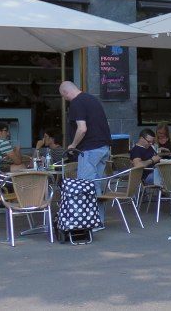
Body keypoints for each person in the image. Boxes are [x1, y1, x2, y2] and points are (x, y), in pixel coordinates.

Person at [60, 80, 111, 229]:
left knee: (85, 186)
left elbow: (82, 128)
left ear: (65, 93)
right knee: (95, 186)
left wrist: (73, 145)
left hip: (89, 149)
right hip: (103, 147)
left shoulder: (76, 102)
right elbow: (106, 124)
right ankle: (98, 221)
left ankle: (88, 221)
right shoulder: (92, 99)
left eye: (63, 96)